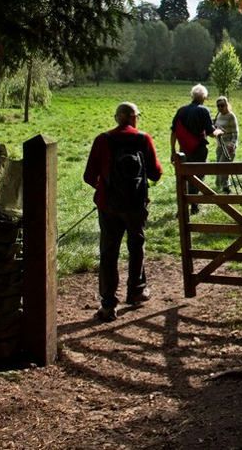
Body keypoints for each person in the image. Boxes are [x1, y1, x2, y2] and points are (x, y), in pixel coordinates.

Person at [83, 102, 163, 322]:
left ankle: (108, 304)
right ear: (134, 118)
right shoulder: (143, 139)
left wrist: (107, 185)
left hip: (108, 205)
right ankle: (136, 290)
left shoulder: (102, 140)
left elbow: (89, 176)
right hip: (136, 205)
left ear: (117, 118)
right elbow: (156, 173)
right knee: (136, 246)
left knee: (109, 251)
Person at [170, 84, 220, 215]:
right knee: (198, 176)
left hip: (183, 150)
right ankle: (194, 204)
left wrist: (173, 151)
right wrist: (219, 131)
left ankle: (183, 206)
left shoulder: (181, 110)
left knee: (185, 177)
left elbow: (174, 132)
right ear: (203, 97)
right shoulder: (203, 110)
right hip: (198, 149)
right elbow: (211, 133)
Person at [213, 95, 239, 193]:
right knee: (218, 166)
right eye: (218, 106)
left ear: (226, 105)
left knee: (223, 165)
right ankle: (219, 185)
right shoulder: (218, 115)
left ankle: (226, 187)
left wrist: (232, 145)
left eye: (222, 105)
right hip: (220, 144)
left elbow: (236, 132)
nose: (220, 108)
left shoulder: (231, 115)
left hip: (228, 145)